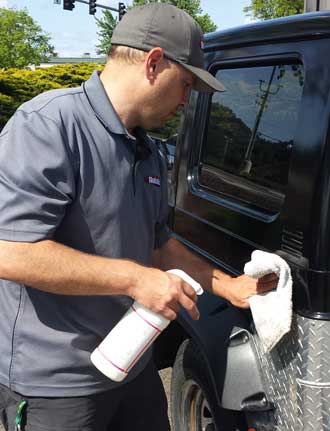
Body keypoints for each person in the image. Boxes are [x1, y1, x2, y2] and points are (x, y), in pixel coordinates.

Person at [0, 3, 277, 431]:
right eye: (185, 83)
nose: (187, 101)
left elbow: (159, 242)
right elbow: (11, 252)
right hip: (56, 385)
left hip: (132, 363)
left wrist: (230, 287)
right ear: (152, 63)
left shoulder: (146, 149)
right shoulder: (48, 125)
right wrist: (135, 279)